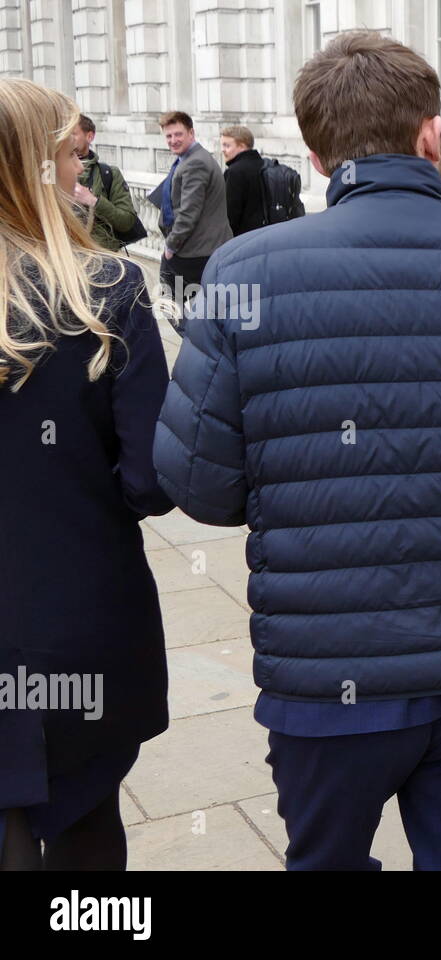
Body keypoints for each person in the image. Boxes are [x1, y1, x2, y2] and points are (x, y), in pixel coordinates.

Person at [154, 31, 441, 871]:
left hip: (328, 683)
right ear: (431, 134)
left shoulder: (245, 270)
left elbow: (199, 484)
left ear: (318, 156)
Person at [0, 78, 173, 870]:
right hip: (79, 621)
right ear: (36, 165)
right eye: (73, 154)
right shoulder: (106, 290)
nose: (83, 171)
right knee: (86, 835)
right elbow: (149, 480)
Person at [146, 110, 233, 308]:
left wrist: (171, 246)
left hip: (194, 251)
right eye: (168, 136)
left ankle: (191, 337)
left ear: (191, 133)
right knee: (208, 307)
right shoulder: (189, 158)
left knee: (168, 304)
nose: (173, 140)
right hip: (201, 248)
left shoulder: (195, 163)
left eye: (178, 134)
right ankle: (201, 336)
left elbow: (188, 213)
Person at [69, 114, 138, 252]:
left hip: (102, 258)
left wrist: (94, 201)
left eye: (73, 134)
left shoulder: (108, 173)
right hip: (66, 258)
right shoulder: (52, 171)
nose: (68, 140)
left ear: (89, 136)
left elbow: (127, 221)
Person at [220, 124, 266, 236]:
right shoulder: (264, 165)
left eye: (227, 146)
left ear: (242, 146)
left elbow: (230, 215)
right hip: (265, 233)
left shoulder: (234, 172)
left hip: (243, 238)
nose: (223, 150)